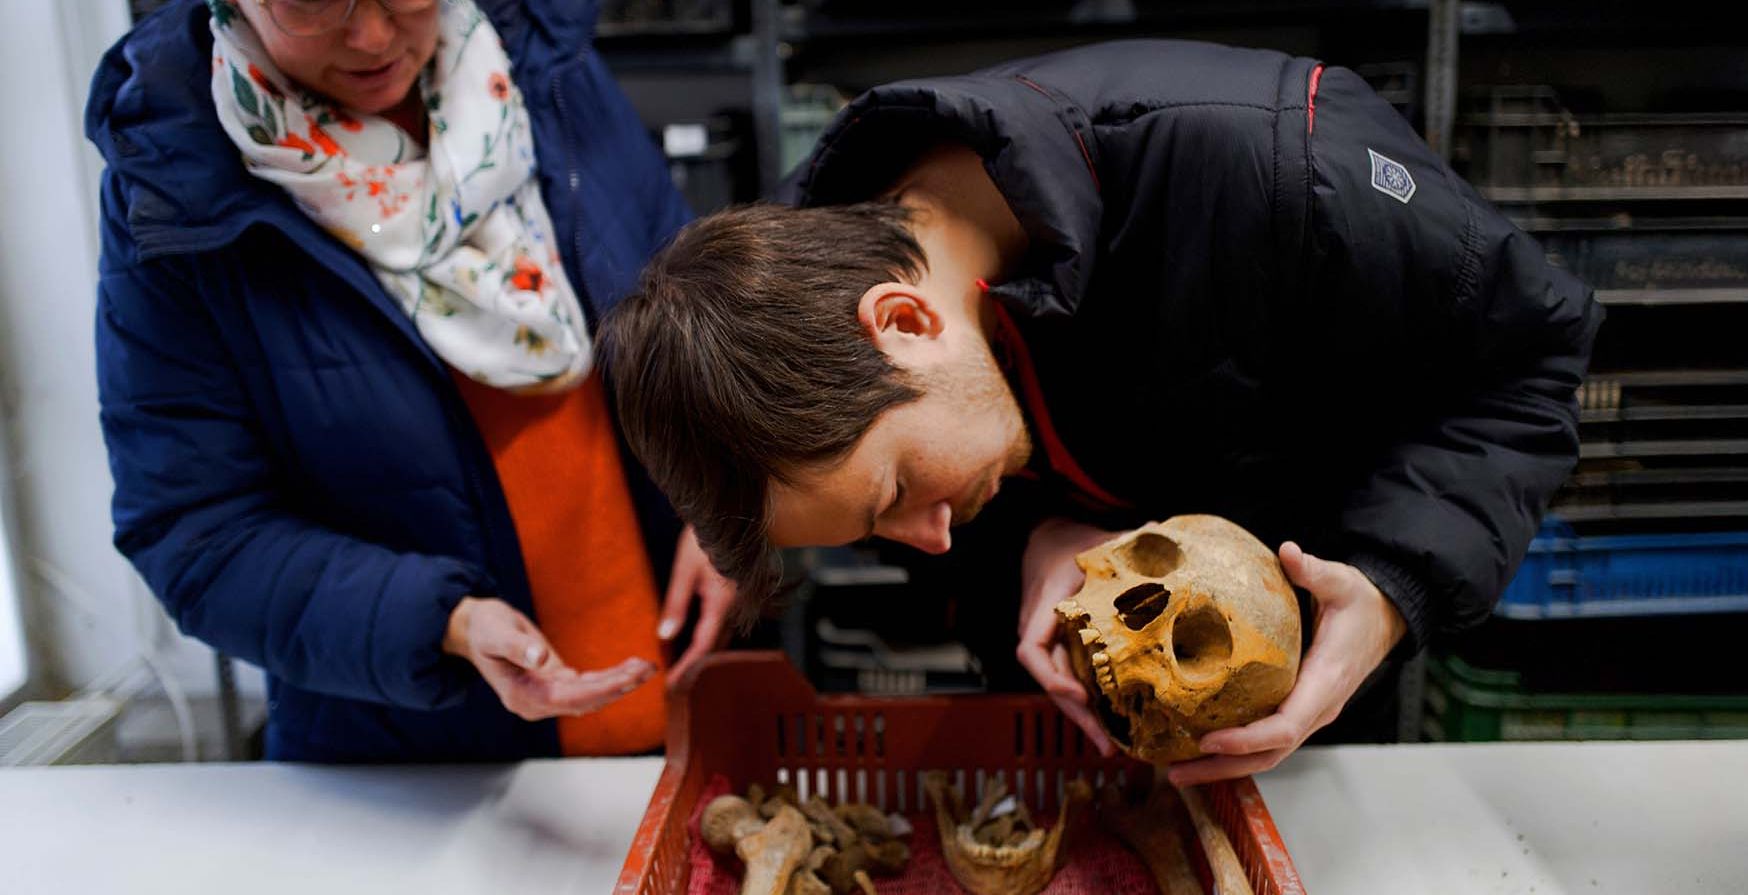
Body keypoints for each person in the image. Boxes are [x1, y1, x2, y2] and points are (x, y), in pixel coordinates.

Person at [596, 39, 1602, 783]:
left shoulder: (1279, 170)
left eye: (899, 492)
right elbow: (925, 510)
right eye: (880, 521)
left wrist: (1392, 591)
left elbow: (1529, 358)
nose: (929, 538)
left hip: (1302, 712)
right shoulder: (794, 290)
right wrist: (1030, 544)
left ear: (903, 319)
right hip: (1083, 721)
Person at [87, 0, 736, 762]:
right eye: (309, 3)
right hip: (420, 765)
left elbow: (693, 304)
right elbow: (195, 533)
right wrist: (439, 619)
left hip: (676, 700)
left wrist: (726, 491)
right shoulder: (175, 182)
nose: (371, 36)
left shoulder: (538, 62)